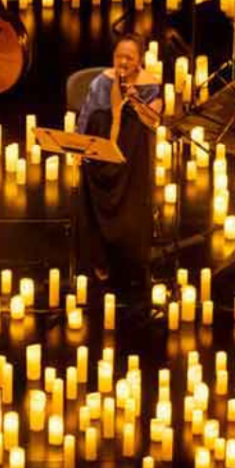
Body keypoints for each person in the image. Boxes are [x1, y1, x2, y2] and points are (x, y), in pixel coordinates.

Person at [76, 34, 163, 285]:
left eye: (129, 57)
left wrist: (134, 102)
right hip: (102, 154)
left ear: (140, 61)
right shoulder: (100, 83)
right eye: (118, 56)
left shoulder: (150, 86)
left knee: (131, 210)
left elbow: (152, 121)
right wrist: (80, 151)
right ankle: (99, 258)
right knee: (97, 206)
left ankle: (130, 260)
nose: (122, 62)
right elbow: (86, 117)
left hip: (132, 159)